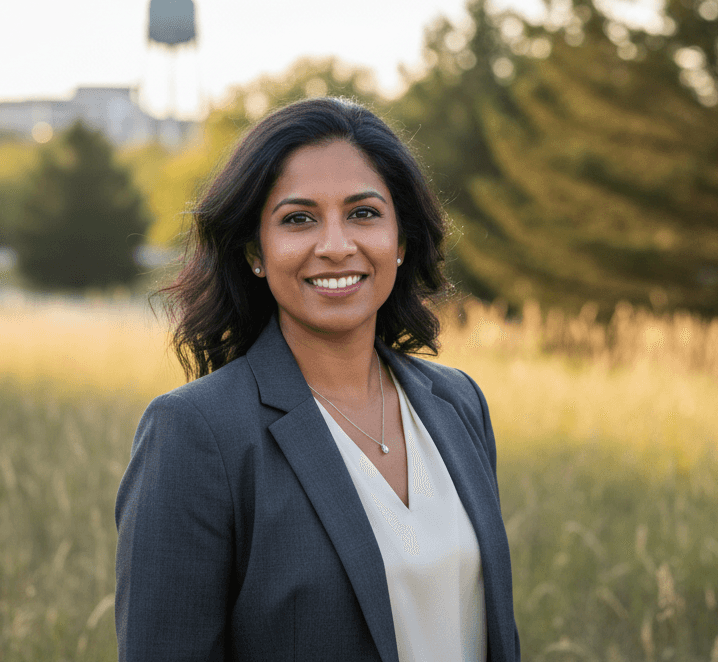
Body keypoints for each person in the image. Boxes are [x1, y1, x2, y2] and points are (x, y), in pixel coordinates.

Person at [114, 97, 520, 661]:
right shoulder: (194, 432)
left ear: (401, 241)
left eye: (364, 213)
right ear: (256, 250)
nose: (335, 246)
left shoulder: (458, 403)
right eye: (298, 219)